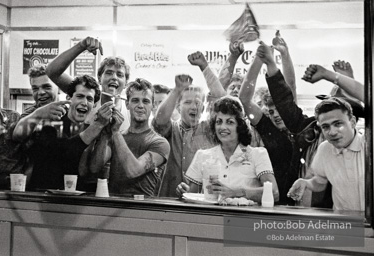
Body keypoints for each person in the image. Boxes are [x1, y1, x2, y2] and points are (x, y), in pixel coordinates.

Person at [176, 96, 279, 204]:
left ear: (240, 126)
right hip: (211, 219)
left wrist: (236, 192)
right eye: (219, 122)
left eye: (229, 122)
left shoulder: (258, 154)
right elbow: (192, 197)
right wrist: (184, 191)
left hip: (246, 218)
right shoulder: (202, 156)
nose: (223, 127)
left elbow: (274, 193)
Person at [153, 51, 228, 197]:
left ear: (204, 107)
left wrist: (204, 67)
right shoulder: (172, 130)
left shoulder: (209, 129)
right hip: (169, 202)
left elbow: (222, 100)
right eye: (187, 102)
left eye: (197, 102)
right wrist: (177, 90)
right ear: (178, 107)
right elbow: (159, 120)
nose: (193, 107)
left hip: (203, 202)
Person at [13, 75, 105, 191]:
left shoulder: (92, 131)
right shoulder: (52, 123)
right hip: (44, 199)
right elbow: (65, 154)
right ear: (69, 98)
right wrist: (97, 127)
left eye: (89, 99)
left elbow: (87, 170)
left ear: (94, 105)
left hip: (77, 201)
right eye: (80, 96)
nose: (84, 102)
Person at [239, 41, 300, 205]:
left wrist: (285, 55)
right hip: (272, 202)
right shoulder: (268, 128)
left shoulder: (300, 125)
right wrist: (258, 61)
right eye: (271, 111)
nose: (276, 115)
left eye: (279, 110)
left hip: (302, 204)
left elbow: (290, 87)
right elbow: (244, 99)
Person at [87, 78, 170, 197]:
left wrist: (115, 131)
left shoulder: (160, 143)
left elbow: (133, 171)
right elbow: (94, 167)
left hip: (143, 210)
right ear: (127, 104)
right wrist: (105, 131)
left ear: (153, 106)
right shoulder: (116, 137)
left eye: (146, 101)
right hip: (112, 207)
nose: (140, 106)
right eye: (135, 100)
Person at [287, 97, 364, 211]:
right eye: (325, 127)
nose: (332, 132)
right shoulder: (324, 149)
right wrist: (306, 183)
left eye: (338, 124)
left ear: (352, 122)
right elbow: (320, 181)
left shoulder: (368, 145)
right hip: (343, 225)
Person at [46, 36, 131, 132]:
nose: (114, 77)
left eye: (119, 75)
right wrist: (81, 46)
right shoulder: (88, 97)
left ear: (126, 83)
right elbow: (52, 72)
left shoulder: (131, 109)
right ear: (99, 78)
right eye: (109, 73)